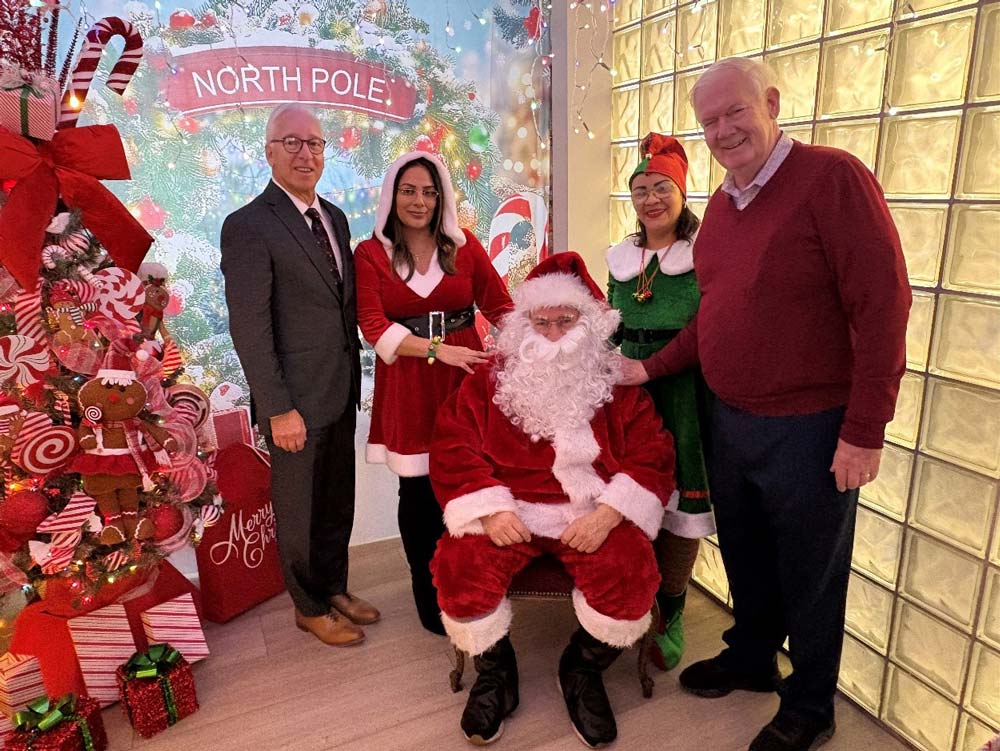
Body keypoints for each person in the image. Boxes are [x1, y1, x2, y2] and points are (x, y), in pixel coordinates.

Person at [619, 58, 910, 751]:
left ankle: (811, 703)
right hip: (731, 418)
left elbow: (884, 305)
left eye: (735, 112)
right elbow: (714, 314)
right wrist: (648, 367)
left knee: (811, 571)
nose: (722, 130)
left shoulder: (833, 178)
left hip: (810, 427)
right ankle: (752, 654)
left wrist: (865, 429)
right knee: (745, 552)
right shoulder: (722, 203)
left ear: (771, 103)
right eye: (709, 120)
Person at [429, 253, 675, 748]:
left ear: (590, 321)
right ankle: (496, 672)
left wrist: (609, 514)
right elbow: (453, 445)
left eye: (567, 320)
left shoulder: (616, 382)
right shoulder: (488, 381)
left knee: (630, 577)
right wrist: (492, 509)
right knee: (460, 570)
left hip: (592, 513)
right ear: (523, 324)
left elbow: (653, 451)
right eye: (541, 321)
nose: (554, 332)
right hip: (508, 512)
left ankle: (581, 669)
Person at [221, 103, 379, 648]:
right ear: (269, 152)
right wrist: (277, 406)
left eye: (313, 143)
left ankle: (333, 587)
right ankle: (307, 606)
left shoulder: (333, 217)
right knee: (298, 511)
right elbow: (251, 327)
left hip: (339, 390)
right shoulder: (247, 226)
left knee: (337, 500)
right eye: (291, 142)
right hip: (293, 403)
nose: (304, 153)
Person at [354, 151, 513, 635]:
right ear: (392, 197)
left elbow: (501, 305)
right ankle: (429, 592)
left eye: (428, 191)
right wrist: (435, 350)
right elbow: (371, 323)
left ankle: (471, 583)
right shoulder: (371, 253)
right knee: (418, 492)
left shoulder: (465, 248)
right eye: (409, 191)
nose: (419, 201)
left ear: (441, 196)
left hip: (465, 381)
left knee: (467, 484)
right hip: (410, 380)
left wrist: (544, 341)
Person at [606, 132, 715, 672]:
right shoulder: (622, 259)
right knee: (630, 496)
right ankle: (629, 597)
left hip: (684, 392)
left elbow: (708, 328)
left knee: (680, 508)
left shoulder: (706, 253)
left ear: (682, 191)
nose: (650, 199)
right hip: (627, 393)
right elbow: (610, 323)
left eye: (661, 187)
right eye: (641, 189)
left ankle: (670, 611)